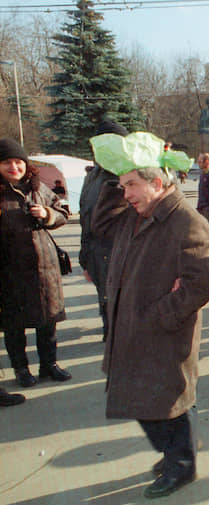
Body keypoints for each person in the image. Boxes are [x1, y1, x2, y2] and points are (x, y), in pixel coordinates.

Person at [90, 131, 209, 499]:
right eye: (122, 185)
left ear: (157, 183)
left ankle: (181, 466)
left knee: (167, 402)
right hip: (135, 327)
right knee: (154, 401)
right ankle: (182, 451)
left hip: (164, 332)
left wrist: (159, 316)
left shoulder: (186, 221)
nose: (125, 193)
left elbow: (200, 283)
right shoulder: (137, 213)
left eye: (131, 185)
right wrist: (115, 178)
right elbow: (101, 224)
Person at [0, 138, 72, 387]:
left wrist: (47, 214)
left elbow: (63, 212)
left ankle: (49, 364)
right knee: (13, 326)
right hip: (9, 271)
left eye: (18, 161)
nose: (14, 167)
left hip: (45, 269)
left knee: (47, 320)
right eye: (7, 162)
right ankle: (21, 369)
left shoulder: (38, 187)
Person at [79, 119, 129, 341]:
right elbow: (85, 217)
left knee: (122, 300)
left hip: (122, 251)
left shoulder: (128, 173)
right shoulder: (92, 176)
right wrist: (85, 258)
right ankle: (110, 332)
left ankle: (118, 339)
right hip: (98, 252)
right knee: (105, 297)